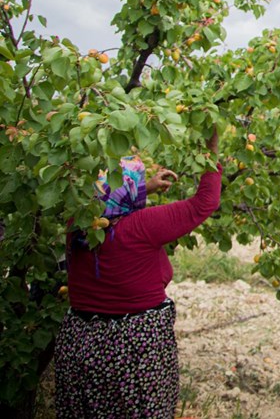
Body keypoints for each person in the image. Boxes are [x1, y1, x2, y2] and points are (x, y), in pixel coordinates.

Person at [55, 131, 220, 419]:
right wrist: (211, 149)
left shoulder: (77, 225)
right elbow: (204, 203)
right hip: (133, 347)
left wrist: (145, 188)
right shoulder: (141, 226)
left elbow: (109, 198)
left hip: (80, 344)